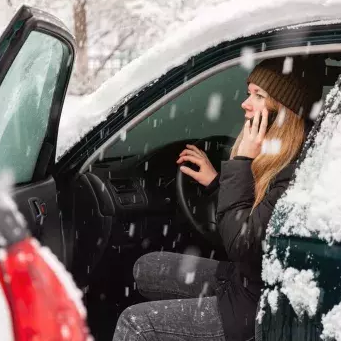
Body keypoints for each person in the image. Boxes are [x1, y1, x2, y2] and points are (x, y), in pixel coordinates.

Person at [113, 56, 324, 341]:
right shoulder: (280, 157)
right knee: (145, 267)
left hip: (258, 306)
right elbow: (252, 219)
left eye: (258, 96)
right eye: (250, 93)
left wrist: (241, 162)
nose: (245, 103)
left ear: (283, 110)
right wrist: (215, 184)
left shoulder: (294, 172)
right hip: (246, 282)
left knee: (135, 323)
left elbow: (243, 247)